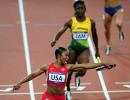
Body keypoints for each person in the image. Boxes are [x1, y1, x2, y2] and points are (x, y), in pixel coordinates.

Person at [13, 47, 115, 100]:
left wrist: (103, 64)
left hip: (61, 98)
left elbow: (86, 66)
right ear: (58, 55)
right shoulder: (47, 67)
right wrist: (20, 83)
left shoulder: (68, 67)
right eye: (65, 55)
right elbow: (32, 75)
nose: (68, 57)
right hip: (48, 97)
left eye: (68, 56)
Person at [50, 0, 100, 98]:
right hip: (72, 49)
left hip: (84, 49)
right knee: (69, 70)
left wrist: (97, 50)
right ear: (75, 10)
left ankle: (77, 75)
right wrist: (55, 39)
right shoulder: (71, 21)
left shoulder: (91, 22)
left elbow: (95, 36)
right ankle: (68, 87)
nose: (80, 10)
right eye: (78, 8)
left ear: (85, 9)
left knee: (83, 70)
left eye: (81, 8)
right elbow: (61, 31)